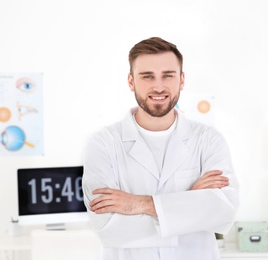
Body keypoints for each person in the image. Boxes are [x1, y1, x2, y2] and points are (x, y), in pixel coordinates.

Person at [82, 37, 239, 260]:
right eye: (147, 76)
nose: (158, 86)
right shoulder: (103, 144)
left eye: (168, 75)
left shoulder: (209, 140)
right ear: (131, 81)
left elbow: (223, 211)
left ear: (181, 80)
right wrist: (190, 201)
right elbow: (108, 227)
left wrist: (137, 204)